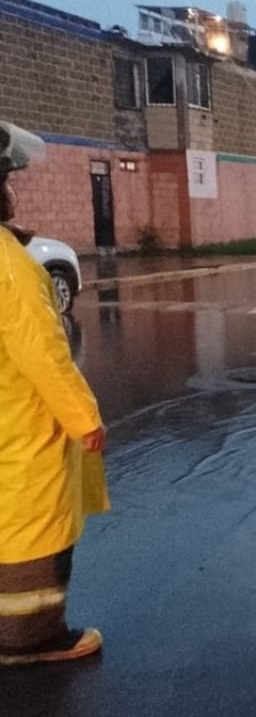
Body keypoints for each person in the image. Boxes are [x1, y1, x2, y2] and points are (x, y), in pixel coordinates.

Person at [0, 121, 109, 666]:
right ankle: (30, 638)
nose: (13, 187)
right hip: (18, 427)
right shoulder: (11, 269)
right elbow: (45, 355)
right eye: (9, 177)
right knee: (31, 526)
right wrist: (84, 418)